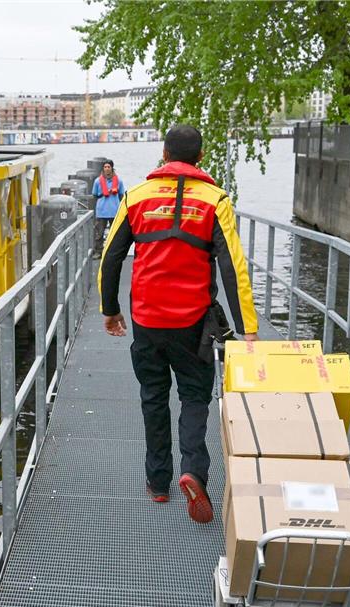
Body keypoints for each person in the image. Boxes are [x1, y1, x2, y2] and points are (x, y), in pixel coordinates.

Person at [98, 125, 258, 524]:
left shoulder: (136, 196)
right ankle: (194, 472)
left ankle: (158, 483)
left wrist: (110, 309)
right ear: (200, 157)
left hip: (147, 319)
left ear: (165, 155)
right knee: (194, 397)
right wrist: (247, 328)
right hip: (193, 323)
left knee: (153, 396)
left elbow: (111, 257)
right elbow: (233, 266)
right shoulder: (215, 201)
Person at [91, 159, 124, 253]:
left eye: (108, 167)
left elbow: (121, 195)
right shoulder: (97, 181)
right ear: (103, 168)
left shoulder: (119, 181)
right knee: (99, 233)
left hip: (114, 211)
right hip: (102, 212)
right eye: (105, 167)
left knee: (115, 233)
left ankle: (114, 251)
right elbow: (94, 195)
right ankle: (98, 252)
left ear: (112, 168)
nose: (107, 169)